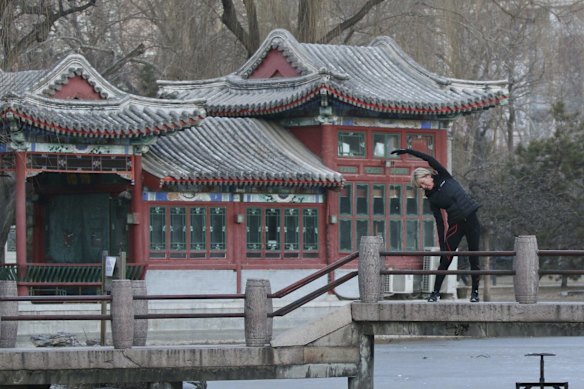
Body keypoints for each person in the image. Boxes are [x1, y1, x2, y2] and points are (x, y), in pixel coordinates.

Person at [391, 148, 481, 303]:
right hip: (455, 225)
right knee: (445, 259)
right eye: (421, 187)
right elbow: (439, 222)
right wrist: (442, 245)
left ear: (427, 176)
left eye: (423, 183)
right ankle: (435, 293)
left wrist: (408, 151)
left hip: (471, 219)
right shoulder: (432, 199)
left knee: (474, 258)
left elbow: (429, 158)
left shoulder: (443, 176)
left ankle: (475, 293)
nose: (424, 187)